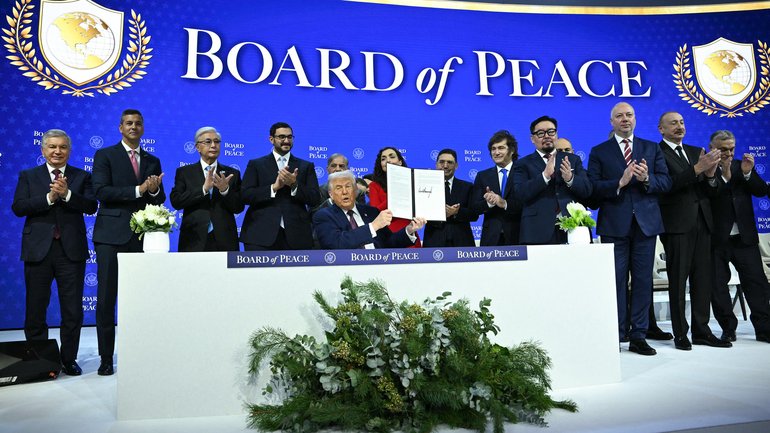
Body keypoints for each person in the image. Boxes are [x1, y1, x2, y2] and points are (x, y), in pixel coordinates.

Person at [587, 102, 671, 356]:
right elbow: (592, 190)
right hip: (615, 225)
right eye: (619, 116)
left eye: (629, 115)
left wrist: (646, 179)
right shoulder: (599, 151)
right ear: (611, 122)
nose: (625, 119)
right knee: (616, 280)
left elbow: (665, 182)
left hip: (646, 225)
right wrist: (619, 182)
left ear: (635, 119)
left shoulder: (651, 147)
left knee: (644, 280)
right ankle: (617, 330)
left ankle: (638, 335)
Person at [11, 129, 98, 376]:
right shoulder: (29, 176)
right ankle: (38, 360)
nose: (57, 151)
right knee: (35, 309)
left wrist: (67, 194)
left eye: (62, 147)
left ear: (69, 151)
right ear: (43, 150)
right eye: (52, 147)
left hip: (71, 253)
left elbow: (91, 206)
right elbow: (18, 207)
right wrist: (49, 197)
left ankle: (68, 359)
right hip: (38, 251)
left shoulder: (82, 176)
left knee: (72, 310)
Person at [92, 109, 165, 375]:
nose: (134, 127)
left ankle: (141, 353)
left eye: (138, 123)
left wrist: (154, 189)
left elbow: (159, 198)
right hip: (110, 237)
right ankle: (106, 357)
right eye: (129, 123)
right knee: (106, 300)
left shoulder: (152, 160)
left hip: (142, 238)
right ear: (120, 127)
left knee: (140, 300)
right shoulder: (105, 155)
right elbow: (100, 191)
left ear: (143, 128)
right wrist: (139, 190)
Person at [655, 112, 728, 349]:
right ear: (661, 129)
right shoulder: (657, 153)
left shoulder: (697, 151)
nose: (679, 126)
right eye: (673, 123)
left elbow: (713, 191)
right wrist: (697, 169)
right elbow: (666, 186)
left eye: (682, 122)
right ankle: (680, 333)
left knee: (702, 280)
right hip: (676, 225)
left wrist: (710, 177)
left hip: (703, 223)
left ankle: (701, 330)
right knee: (678, 281)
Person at [708, 130, 770, 343]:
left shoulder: (741, 166)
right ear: (712, 147)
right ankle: (728, 328)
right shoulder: (704, 169)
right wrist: (723, 175)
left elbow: (762, 191)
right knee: (717, 286)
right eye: (723, 149)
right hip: (716, 239)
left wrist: (747, 173)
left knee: (756, 284)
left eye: (731, 149)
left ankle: (764, 329)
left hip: (745, 238)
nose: (728, 153)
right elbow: (710, 195)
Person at [240, 122, 320, 250]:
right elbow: (245, 195)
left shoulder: (305, 166)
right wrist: (273, 188)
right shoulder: (256, 165)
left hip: (297, 236)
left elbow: (315, 198)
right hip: (260, 235)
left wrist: (294, 185)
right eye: (282, 137)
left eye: (290, 137)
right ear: (271, 139)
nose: (286, 141)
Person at [513, 116, 592, 245]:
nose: (547, 136)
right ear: (532, 139)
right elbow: (520, 193)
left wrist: (570, 179)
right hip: (537, 230)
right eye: (540, 133)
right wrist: (544, 176)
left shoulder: (573, 159)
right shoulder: (522, 164)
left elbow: (587, 190)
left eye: (551, 132)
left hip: (573, 229)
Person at [170, 127, 243, 252]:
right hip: (193, 238)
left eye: (217, 142)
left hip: (225, 238)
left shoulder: (232, 173)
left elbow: (239, 207)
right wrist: (203, 189)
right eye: (208, 142)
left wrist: (225, 190)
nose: (214, 145)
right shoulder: (185, 172)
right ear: (197, 147)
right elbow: (176, 201)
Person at [313, 171, 425, 249]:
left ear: (356, 190)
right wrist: (373, 226)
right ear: (331, 194)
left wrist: (409, 230)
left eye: (348, 186)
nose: (344, 192)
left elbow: (389, 242)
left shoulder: (372, 212)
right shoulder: (323, 216)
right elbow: (337, 244)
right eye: (338, 188)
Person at [471, 130, 522, 246]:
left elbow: (528, 204)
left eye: (501, 148)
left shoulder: (523, 172)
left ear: (512, 150)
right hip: (491, 238)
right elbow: (474, 208)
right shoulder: (482, 176)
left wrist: (504, 203)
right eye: (493, 149)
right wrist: (489, 203)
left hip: (518, 236)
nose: (496, 152)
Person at [423, 148, 478, 247]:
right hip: (434, 241)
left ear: (456, 166)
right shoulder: (424, 186)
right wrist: (439, 213)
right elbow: (419, 212)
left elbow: (474, 214)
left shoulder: (467, 187)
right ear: (436, 164)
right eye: (442, 162)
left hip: (462, 241)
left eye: (450, 162)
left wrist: (457, 212)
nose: (445, 166)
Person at [368, 147, 422, 247]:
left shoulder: (411, 182)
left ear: (400, 162)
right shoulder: (374, 186)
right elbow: (374, 212)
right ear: (381, 165)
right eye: (383, 159)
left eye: (392, 157)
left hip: (410, 233)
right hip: (387, 236)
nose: (388, 160)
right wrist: (395, 195)